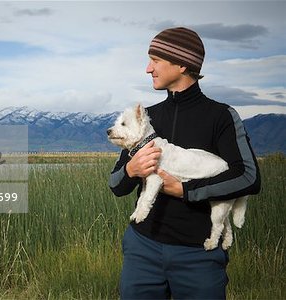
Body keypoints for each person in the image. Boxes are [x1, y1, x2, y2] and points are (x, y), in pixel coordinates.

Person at [109, 27, 261, 299]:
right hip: (142, 250)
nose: (148, 68)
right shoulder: (146, 119)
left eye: (155, 60)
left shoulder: (222, 117)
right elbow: (116, 184)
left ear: (181, 64)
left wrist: (186, 191)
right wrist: (131, 170)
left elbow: (248, 176)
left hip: (198, 255)